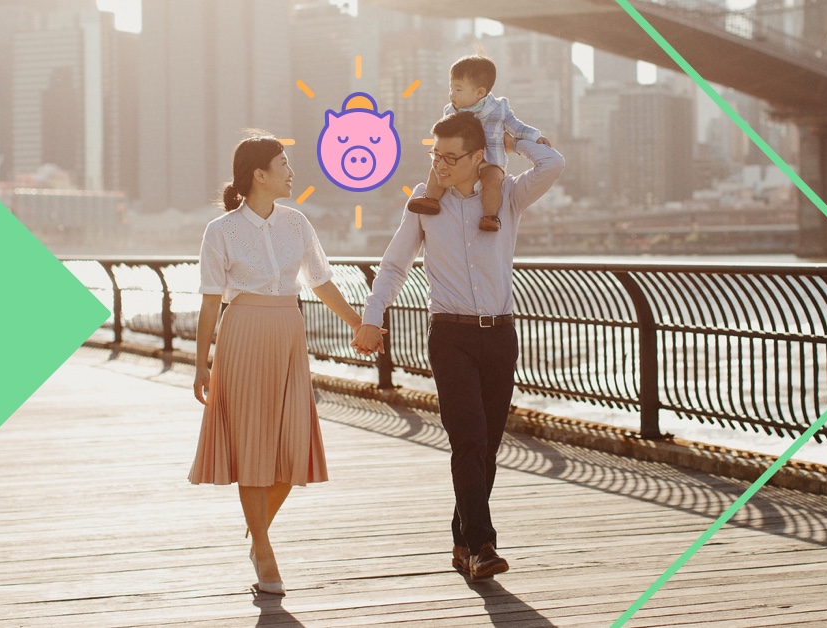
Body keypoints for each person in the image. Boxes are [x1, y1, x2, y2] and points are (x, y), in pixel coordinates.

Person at [354, 112, 565, 580]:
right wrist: (372, 318)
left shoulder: (507, 196)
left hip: (500, 336)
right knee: (467, 439)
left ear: (477, 157)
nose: (441, 166)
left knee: (485, 446)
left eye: (452, 157)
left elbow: (552, 164)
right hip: (450, 337)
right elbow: (393, 267)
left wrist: (515, 141)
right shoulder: (425, 204)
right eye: (436, 155)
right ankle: (483, 546)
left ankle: (460, 536)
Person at [188, 131, 366, 596]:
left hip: (289, 333)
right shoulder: (220, 231)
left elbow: (322, 282)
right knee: (252, 446)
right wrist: (201, 364)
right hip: (242, 334)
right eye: (284, 164)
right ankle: (263, 549)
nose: (292, 172)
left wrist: (357, 324)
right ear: (259, 175)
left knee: (290, 447)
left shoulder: (297, 223)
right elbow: (210, 303)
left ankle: (257, 527)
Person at [405, 53, 552, 232]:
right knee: (437, 170)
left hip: (491, 160)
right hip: (463, 161)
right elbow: (446, 136)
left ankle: (489, 216)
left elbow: (516, 126)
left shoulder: (498, 109)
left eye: (458, 89)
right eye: (451, 88)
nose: (452, 94)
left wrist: (535, 137)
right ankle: (431, 200)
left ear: (480, 92)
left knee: (493, 182)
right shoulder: (451, 111)